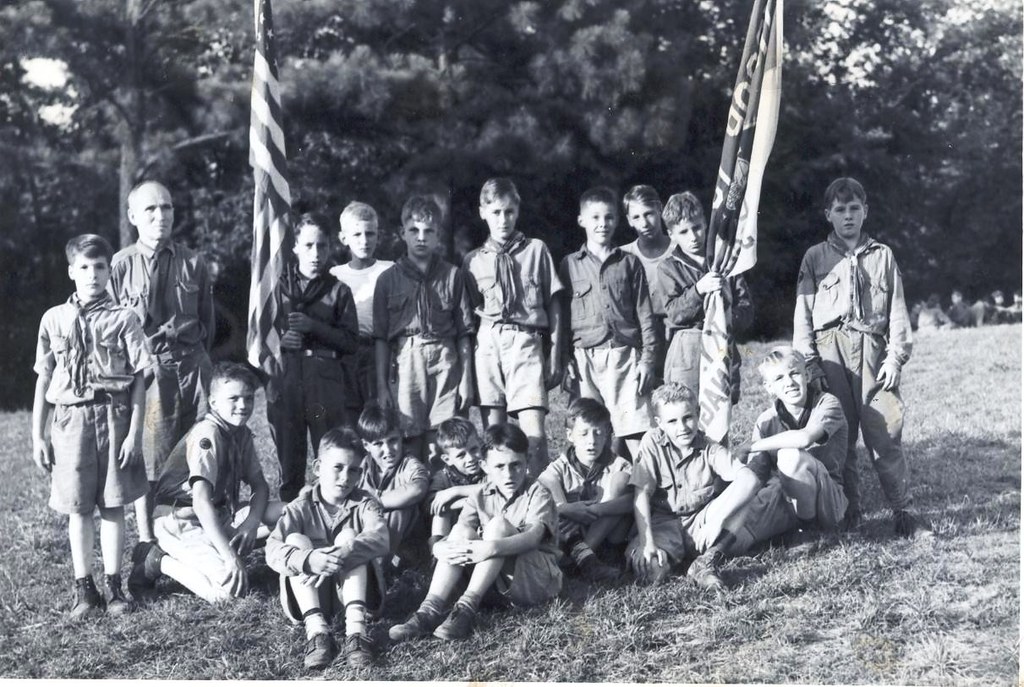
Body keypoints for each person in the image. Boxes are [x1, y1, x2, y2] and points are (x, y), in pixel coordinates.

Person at [32, 234, 152, 617]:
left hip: (115, 418)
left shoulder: (124, 318)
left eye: (100, 266)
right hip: (71, 421)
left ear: (109, 271)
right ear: (71, 272)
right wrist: (38, 433)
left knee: (114, 506)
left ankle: (114, 588)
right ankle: (85, 590)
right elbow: (44, 379)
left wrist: (134, 433)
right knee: (79, 507)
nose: (93, 274)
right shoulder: (54, 319)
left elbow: (138, 381)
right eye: (84, 267)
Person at [793, 177, 922, 535]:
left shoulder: (882, 255)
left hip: (873, 354)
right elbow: (802, 317)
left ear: (865, 212)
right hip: (830, 353)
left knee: (885, 432)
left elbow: (897, 312)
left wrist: (895, 357)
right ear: (827, 215)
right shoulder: (815, 258)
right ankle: (849, 515)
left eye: (854, 209)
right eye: (840, 210)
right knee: (838, 438)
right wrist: (810, 364)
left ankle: (903, 514)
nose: (847, 216)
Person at [108, 180, 215, 553]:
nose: (160, 216)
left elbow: (208, 323)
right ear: (133, 216)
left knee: (200, 451)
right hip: (150, 372)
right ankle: (148, 542)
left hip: (192, 369)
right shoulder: (120, 266)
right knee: (151, 458)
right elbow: (110, 330)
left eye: (167, 208)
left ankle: (197, 532)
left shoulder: (193, 262)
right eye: (151, 209)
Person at [388, 424, 562, 643]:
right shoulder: (480, 494)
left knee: (498, 526)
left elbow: (534, 537)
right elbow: (459, 535)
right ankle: (428, 612)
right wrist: (439, 546)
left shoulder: (538, 492)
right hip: (496, 586)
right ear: (485, 466)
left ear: (527, 461)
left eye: (516, 465)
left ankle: (466, 608)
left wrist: (490, 547)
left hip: (535, 582)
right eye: (499, 467)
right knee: (461, 530)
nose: (508, 475)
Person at [128, 362, 282, 603]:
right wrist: (230, 556)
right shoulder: (207, 434)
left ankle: (281, 555)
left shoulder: (240, 433)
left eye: (248, 398)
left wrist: (251, 523)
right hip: (180, 522)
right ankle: (157, 560)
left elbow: (260, 485)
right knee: (229, 594)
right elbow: (200, 502)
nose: (242, 406)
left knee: (287, 513)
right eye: (233, 399)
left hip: (216, 518)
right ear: (213, 403)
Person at [462, 178, 565, 476]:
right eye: (495, 212)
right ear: (483, 213)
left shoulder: (536, 250)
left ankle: (542, 503)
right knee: (494, 435)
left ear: (517, 211)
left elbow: (554, 303)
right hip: (488, 343)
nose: (502, 219)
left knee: (535, 436)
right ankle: (499, 505)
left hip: (526, 341)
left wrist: (556, 353)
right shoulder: (473, 261)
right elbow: (470, 318)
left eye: (508, 212)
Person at [627, 383, 774, 590]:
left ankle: (707, 561)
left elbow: (750, 480)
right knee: (652, 572)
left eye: (688, 417)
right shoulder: (651, 442)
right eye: (672, 421)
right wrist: (647, 542)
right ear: (659, 423)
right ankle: (671, 558)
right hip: (663, 524)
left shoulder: (708, 446)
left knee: (744, 497)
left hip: (700, 522)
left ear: (698, 414)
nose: (683, 427)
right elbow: (641, 493)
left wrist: (718, 521)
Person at [266, 427, 389, 670]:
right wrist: (308, 560)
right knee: (295, 540)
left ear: (360, 473)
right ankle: (317, 632)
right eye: (338, 467)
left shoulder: (365, 503)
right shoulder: (298, 507)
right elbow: (271, 548)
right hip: (310, 595)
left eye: (353, 470)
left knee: (349, 536)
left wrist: (343, 553)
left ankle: (356, 633)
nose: (345, 477)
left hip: (356, 595)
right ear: (317, 467)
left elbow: (382, 537)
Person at [373, 195, 475, 463]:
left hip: (445, 359)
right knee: (408, 435)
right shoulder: (387, 280)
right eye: (414, 230)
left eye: (428, 231)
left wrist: (466, 380)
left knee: (442, 439)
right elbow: (381, 339)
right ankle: (413, 499)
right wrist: (382, 386)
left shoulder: (453, 276)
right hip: (407, 359)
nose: (421, 237)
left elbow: (464, 333)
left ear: (438, 235)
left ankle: (440, 499)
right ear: (402, 233)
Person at [559, 186, 658, 459]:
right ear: (582, 220)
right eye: (595, 218)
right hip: (584, 360)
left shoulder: (629, 263)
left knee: (636, 431)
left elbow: (645, 315)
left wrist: (647, 360)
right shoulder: (569, 265)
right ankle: (592, 491)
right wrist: (564, 357)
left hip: (623, 356)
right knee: (589, 429)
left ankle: (648, 491)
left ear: (617, 220)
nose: (602, 224)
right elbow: (561, 318)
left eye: (609, 217)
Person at [269, 212, 359, 502]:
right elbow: (257, 334)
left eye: (321, 246)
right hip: (287, 377)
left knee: (330, 450)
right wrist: (280, 339)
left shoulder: (338, 290)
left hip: (324, 379)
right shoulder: (275, 287)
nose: (316, 253)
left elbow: (351, 341)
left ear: (330, 247)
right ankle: (290, 516)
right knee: (289, 453)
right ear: (294, 247)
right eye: (308, 246)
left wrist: (314, 327)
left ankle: (330, 513)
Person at [739, 346, 850, 545]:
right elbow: (756, 474)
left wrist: (751, 446)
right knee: (735, 533)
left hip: (827, 500)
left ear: (807, 374)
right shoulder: (766, 419)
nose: (789, 382)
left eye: (794, 373)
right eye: (779, 378)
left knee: (790, 457)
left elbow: (804, 439)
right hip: (785, 495)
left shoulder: (827, 403)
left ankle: (808, 532)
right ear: (768, 387)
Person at [656, 191, 754, 402]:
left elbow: (746, 310)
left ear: (705, 224)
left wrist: (726, 314)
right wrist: (698, 289)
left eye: (697, 227)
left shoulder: (726, 262)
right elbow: (674, 313)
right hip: (687, 348)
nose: (693, 237)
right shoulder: (668, 268)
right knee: (685, 405)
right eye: (683, 231)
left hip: (722, 343)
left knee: (721, 410)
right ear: (671, 234)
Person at [537, 398, 631, 583]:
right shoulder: (561, 466)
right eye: (584, 434)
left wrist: (598, 510)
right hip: (572, 532)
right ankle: (586, 559)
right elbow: (543, 486)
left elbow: (633, 501)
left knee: (621, 481)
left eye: (598, 433)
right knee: (547, 483)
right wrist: (565, 508)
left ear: (607, 435)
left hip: (609, 535)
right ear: (570, 435)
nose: (592, 441)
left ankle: (582, 556)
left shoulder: (618, 464)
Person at [330, 202, 395, 422]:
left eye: (370, 233)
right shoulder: (335, 275)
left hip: (379, 351)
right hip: (343, 354)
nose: (364, 240)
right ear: (343, 238)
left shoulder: (390, 269)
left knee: (378, 417)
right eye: (357, 234)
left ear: (379, 235)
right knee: (347, 417)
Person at [356, 404, 429, 565]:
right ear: (366, 446)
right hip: (371, 533)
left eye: (393, 440)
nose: (388, 450)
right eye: (378, 444)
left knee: (398, 510)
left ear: (401, 436)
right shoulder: (364, 465)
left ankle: (377, 568)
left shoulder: (409, 463)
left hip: (408, 543)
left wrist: (374, 503)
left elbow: (418, 488)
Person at [620, 184, 674, 382]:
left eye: (649, 213)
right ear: (628, 220)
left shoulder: (680, 248)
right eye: (636, 217)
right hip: (640, 340)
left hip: (676, 337)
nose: (644, 222)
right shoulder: (622, 256)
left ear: (660, 209)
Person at [428, 417, 485, 548]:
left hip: (483, 525)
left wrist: (455, 491)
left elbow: (497, 486)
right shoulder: (443, 476)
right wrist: (462, 503)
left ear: (480, 443)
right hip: (454, 528)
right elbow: (431, 502)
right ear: (447, 459)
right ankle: (438, 557)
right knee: (440, 512)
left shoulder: (488, 468)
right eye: (461, 455)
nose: (470, 458)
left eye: (474, 449)